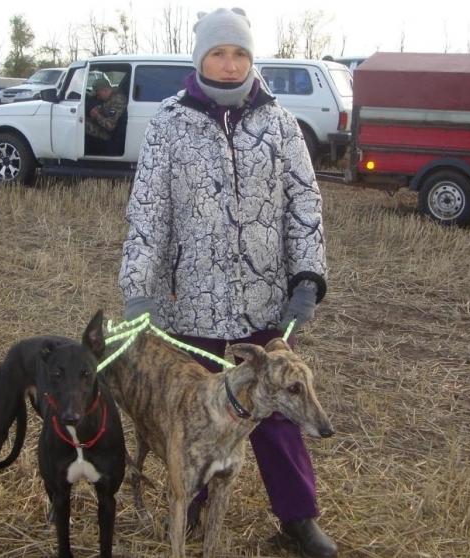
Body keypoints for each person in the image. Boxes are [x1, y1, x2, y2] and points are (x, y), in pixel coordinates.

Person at [118, 8, 336, 558]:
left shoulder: (280, 123)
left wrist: (308, 275)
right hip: (191, 310)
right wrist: (140, 291)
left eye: (239, 53)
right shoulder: (169, 123)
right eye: (218, 52)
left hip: (263, 308)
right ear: (201, 58)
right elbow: (148, 215)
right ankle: (187, 508)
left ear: (250, 58)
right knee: (189, 417)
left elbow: (305, 205)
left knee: (277, 416)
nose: (229, 63)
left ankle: (297, 517)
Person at [85, 76, 127, 154]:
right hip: (109, 130)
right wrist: (98, 109)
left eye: (98, 94)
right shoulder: (112, 97)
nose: (97, 97)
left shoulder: (117, 100)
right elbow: (106, 107)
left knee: (82, 124)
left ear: (104, 90)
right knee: (85, 120)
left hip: (110, 135)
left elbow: (110, 126)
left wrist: (97, 115)